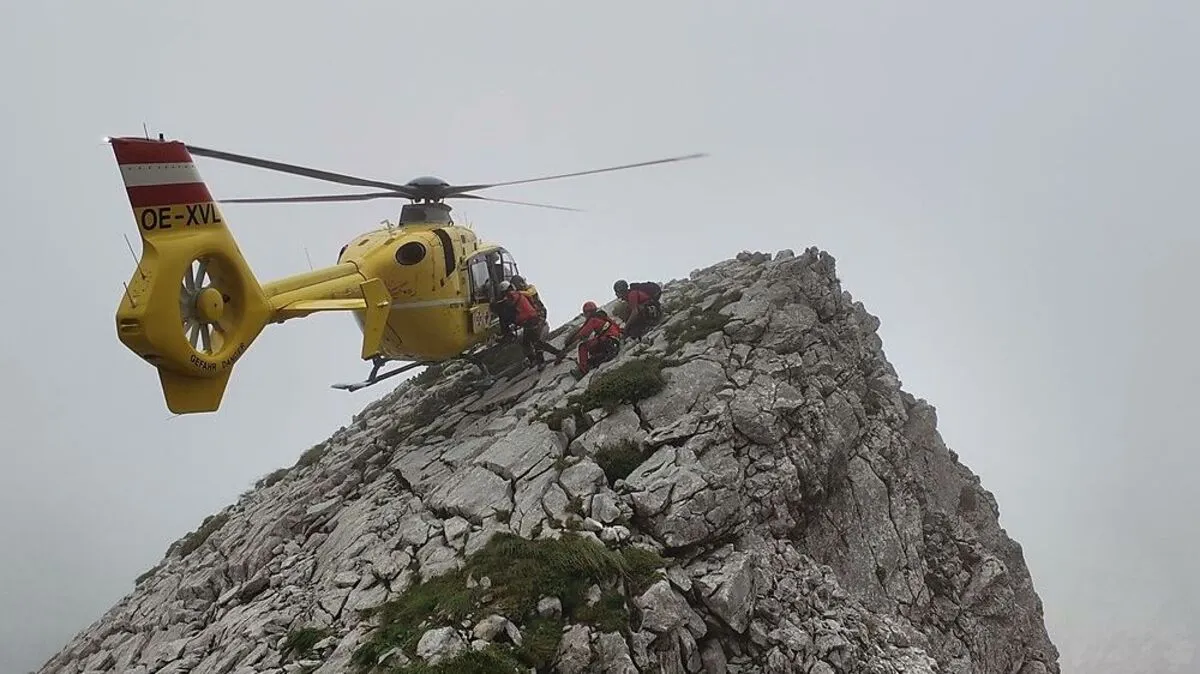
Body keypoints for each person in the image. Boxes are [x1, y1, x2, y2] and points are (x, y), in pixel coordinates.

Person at [502, 286, 561, 369]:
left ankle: (555, 354)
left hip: (531, 322)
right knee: (527, 341)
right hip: (533, 320)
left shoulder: (512, 297)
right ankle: (536, 360)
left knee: (536, 342)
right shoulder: (522, 294)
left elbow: (517, 311)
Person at [556, 301, 622, 374]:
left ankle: (583, 370)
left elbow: (583, 333)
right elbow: (617, 328)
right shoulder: (604, 318)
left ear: (587, 312)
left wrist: (568, 344)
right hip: (614, 342)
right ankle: (597, 357)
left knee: (583, 346)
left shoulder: (593, 320)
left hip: (607, 341)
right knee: (593, 345)